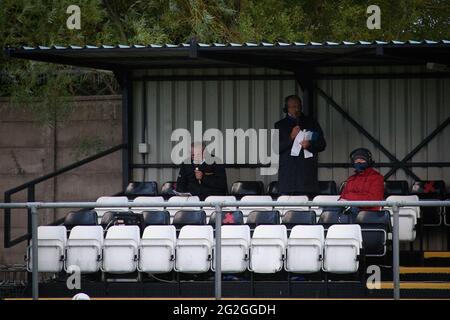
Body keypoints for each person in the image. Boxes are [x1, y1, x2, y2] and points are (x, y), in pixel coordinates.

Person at [274, 95, 326, 197]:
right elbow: (276, 148)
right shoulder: (280, 125)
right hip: (288, 177)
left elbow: (322, 144)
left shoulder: (311, 123)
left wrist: (309, 145)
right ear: (286, 108)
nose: (296, 109)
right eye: (293, 107)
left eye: (298, 106)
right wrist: (291, 137)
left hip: (306, 176)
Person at [340, 148, 384, 213]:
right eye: (356, 161)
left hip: (368, 214)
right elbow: (342, 198)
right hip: (349, 211)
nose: (359, 162)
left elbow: (373, 199)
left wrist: (349, 198)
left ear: (368, 161)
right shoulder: (351, 179)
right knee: (329, 211)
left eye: (362, 160)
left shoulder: (377, 178)